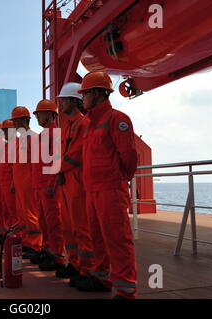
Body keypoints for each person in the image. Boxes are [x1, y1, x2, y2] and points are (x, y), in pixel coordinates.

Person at [78, 71, 138, 299]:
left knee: (117, 239)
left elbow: (129, 156)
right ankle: (102, 278)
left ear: (95, 93)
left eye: (84, 94)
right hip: (92, 190)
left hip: (110, 190)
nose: (82, 98)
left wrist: (119, 179)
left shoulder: (117, 119)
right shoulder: (90, 124)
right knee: (97, 237)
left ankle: (126, 290)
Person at [55, 83, 94, 286]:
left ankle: (87, 270)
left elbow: (76, 154)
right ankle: (74, 263)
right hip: (66, 181)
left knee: (81, 226)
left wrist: (60, 170)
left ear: (73, 101)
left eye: (62, 100)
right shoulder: (68, 126)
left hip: (77, 181)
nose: (60, 103)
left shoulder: (83, 124)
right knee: (68, 226)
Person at [31, 99, 66, 271]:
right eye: (37, 114)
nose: (37, 117)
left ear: (51, 115)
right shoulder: (43, 136)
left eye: (40, 113)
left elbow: (57, 161)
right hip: (40, 185)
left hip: (49, 186)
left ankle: (58, 256)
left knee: (54, 221)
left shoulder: (55, 134)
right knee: (43, 221)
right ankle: (47, 249)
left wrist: (52, 184)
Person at [11, 106, 43, 259]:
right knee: (23, 215)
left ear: (24, 120)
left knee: (31, 215)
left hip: (29, 184)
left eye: (16, 121)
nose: (14, 124)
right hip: (20, 184)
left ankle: (36, 245)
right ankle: (26, 240)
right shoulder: (20, 140)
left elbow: (36, 165)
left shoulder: (34, 138)